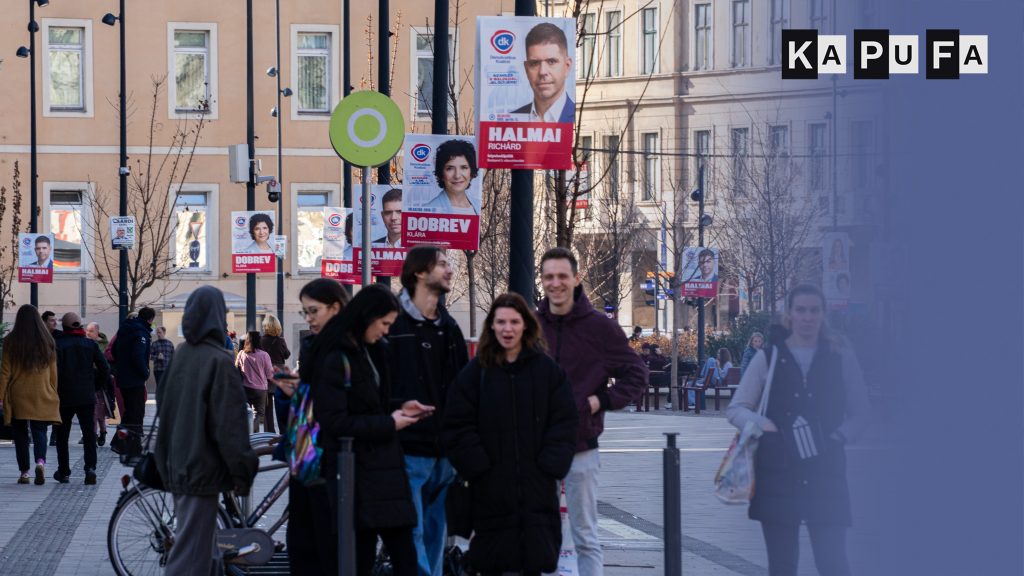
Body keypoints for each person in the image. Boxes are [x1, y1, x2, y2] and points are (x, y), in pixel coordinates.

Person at [726, 284, 870, 576]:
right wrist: (762, 425)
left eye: (814, 310)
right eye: (801, 310)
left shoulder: (840, 356)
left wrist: (839, 436)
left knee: (833, 562)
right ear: (789, 314)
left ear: (823, 313)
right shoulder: (770, 356)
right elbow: (737, 408)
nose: (808, 317)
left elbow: (862, 412)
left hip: (826, 469)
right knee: (782, 565)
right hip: (779, 470)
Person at [443, 293, 578, 575]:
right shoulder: (476, 372)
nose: (507, 329)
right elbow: (456, 423)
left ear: (526, 325)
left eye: (514, 322)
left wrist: (550, 466)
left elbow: (564, 421)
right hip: (490, 487)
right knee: (493, 561)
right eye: (501, 321)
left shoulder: (547, 371)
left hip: (537, 487)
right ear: (491, 325)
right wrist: (477, 466)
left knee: (535, 560)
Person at [535, 247, 648, 576]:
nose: (555, 283)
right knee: (539, 533)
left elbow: (636, 373)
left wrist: (602, 401)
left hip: (580, 445)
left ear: (576, 279)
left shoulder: (599, 327)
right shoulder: (532, 323)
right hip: (536, 446)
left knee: (585, 534)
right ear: (542, 280)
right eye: (549, 277)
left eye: (562, 276)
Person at [154, 286, 258, 576]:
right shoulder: (220, 360)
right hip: (202, 468)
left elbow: (163, 407)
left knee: (205, 551)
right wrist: (243, 470)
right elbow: (230, 427)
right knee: (190, 557)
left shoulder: (182, 354)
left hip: (177, 464)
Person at [387, 246, 469, 576]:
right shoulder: (393, 324)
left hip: (444, 452)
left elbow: (463, 388)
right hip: (409, 449)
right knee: (413, 533)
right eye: (442, 265)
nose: (449, 271)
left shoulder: (449, 328)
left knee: (437, 534)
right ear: (420, 272)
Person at [0, 304, 60, 485]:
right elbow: (53, 372)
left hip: (18, 393)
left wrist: (1, 396)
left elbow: (5, 372)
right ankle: (40, 462)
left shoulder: (11, 341)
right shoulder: (47, 340)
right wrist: (53, 391)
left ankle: (24, 472)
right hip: (42, 391)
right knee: (40, 430)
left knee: (20, 434)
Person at [52, 312, 109, 484]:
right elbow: (104, 368)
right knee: (89, 434)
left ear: (65, 326)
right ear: (80, 326)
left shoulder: (58, 345)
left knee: (62, 435)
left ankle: (64, 471)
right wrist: (95, 385)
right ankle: (90, 468)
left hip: (64, 396)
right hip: (86, 395)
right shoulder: (90, 344)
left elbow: (53, 372)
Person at [512, 23, 576, 123]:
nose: (542, 72)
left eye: (551, 62)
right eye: (534, 63)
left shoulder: (578, 116)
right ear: (526, 69)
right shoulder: (512, 121)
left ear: (567, 66)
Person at [111, 306, 154, 446]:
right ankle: (131, 444)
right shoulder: (140, 332)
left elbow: (114, 349)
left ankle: (120, 442)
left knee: (129, 412)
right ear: (150, 319)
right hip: (135, 379)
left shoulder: (125, 329)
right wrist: (145, 372)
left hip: (123, 377)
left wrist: (121, 366)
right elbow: (138, 355)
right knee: (136, 413)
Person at [423, 140, 481, 215]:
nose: (457, 176)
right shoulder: (429, 209)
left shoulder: (477, 204)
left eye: (463, 167)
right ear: (441, 173)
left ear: (471, 171)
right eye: (450, 168)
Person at [235, 331, 274, 433]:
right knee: (259, 414)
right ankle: (251, 432)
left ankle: (246, 433)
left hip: (245, 387)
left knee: (245, 413)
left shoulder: (241, 353)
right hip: (261, 389)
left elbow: (235, 369)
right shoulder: (264, 355)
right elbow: (269, 374)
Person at [259, 314, 290, 433]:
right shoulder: (281, 340)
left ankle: (269, 431)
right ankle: (282, 431)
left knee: (267, 406)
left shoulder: (261, 340)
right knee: (281, 404)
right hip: (279, 374)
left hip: (265, 373)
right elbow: (286, 355)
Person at [86, 321, 112, 446]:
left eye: (91, 331)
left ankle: (102, 432)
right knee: (93, 412)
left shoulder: (104, 345)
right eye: (87, 330)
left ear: (97, 332)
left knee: (100, 411)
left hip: (101, 383)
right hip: (90, 381)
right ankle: (94, 434)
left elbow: (106, 365)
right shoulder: (86, 344)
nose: (88, 333)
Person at [150, 326, 174, 392]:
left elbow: (173, 357)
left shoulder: (170, 344)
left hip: (168, 370)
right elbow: (150, 356)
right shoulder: (154, 344)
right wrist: (157, 357)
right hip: (158, 370)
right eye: (157, 333)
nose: (158, 334)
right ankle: (160, 402)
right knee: (160, 388)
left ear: (164, 332)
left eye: (160, 332)